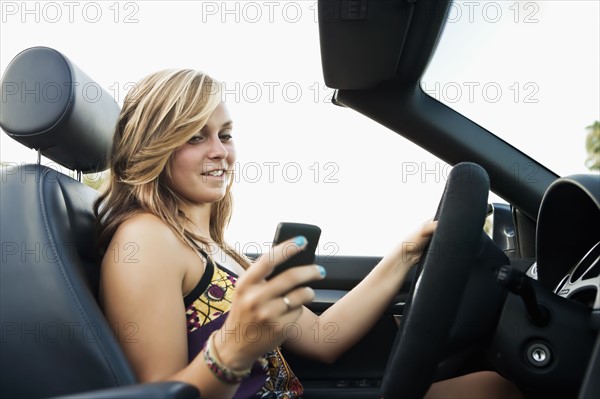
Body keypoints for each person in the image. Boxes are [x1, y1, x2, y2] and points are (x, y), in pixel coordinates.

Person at [94, 69, 522, 399]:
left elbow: (323, 339)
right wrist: (232, 350)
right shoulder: (144, 242)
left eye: (225, 134)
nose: (220, 151)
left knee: (492, 387)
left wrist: (407, 255)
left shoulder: (214, 248)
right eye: (193, 137)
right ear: (153, 145)